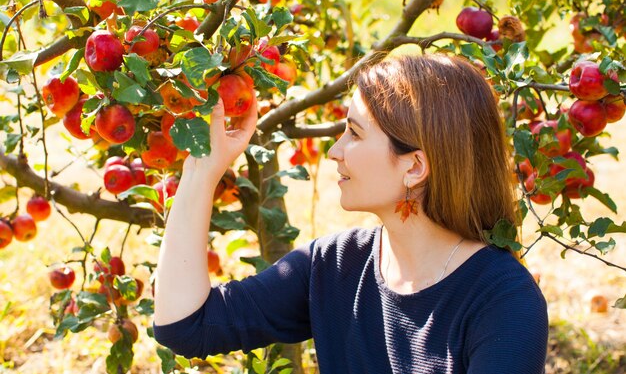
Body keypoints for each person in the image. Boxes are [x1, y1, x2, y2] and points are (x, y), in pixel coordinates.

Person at [153, 53, 549, 373]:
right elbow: (186, 326)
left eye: (355, 134)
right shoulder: (336, 266)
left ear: (414, 167)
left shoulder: (504, 302)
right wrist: (202, 170)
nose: (334, 151)